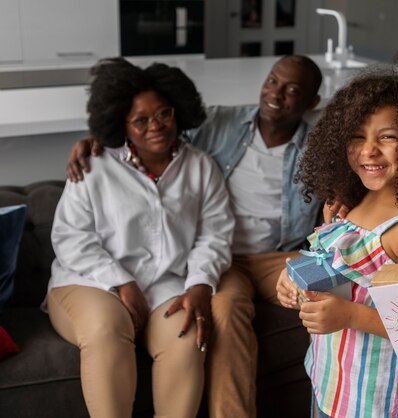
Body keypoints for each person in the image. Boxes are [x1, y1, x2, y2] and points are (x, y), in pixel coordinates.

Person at [65, 55, 323, 418]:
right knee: (226, 308)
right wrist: (97, 139)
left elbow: (350, 181)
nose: (276, 95)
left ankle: (345, 401)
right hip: (223, 261)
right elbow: (150, 132)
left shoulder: (320, 146)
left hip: (276, 256)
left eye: (293, 90)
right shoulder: (219, 122)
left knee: (331, 282)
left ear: (312, 102)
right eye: (272, 82)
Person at [46, 57, 234, 418]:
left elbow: (215, 235)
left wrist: (200, 284)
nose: (156, 126)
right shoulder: (94, 165)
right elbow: (71, 238)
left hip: (165, 284)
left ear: (178, 111)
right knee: (106, 328)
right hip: (89, 282)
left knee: (186, 336)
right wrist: (121, 281)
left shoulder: (201, 167)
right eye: (141, 120)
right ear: (121, 124)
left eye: (164, 114)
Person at [276, 72, 398, 418]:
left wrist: (350, 315)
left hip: (380, 403)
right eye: (357, 137)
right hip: (330, 385)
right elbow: (336, 266)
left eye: (388, 137)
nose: (369, 150)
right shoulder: (350, 202)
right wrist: (295, 274)